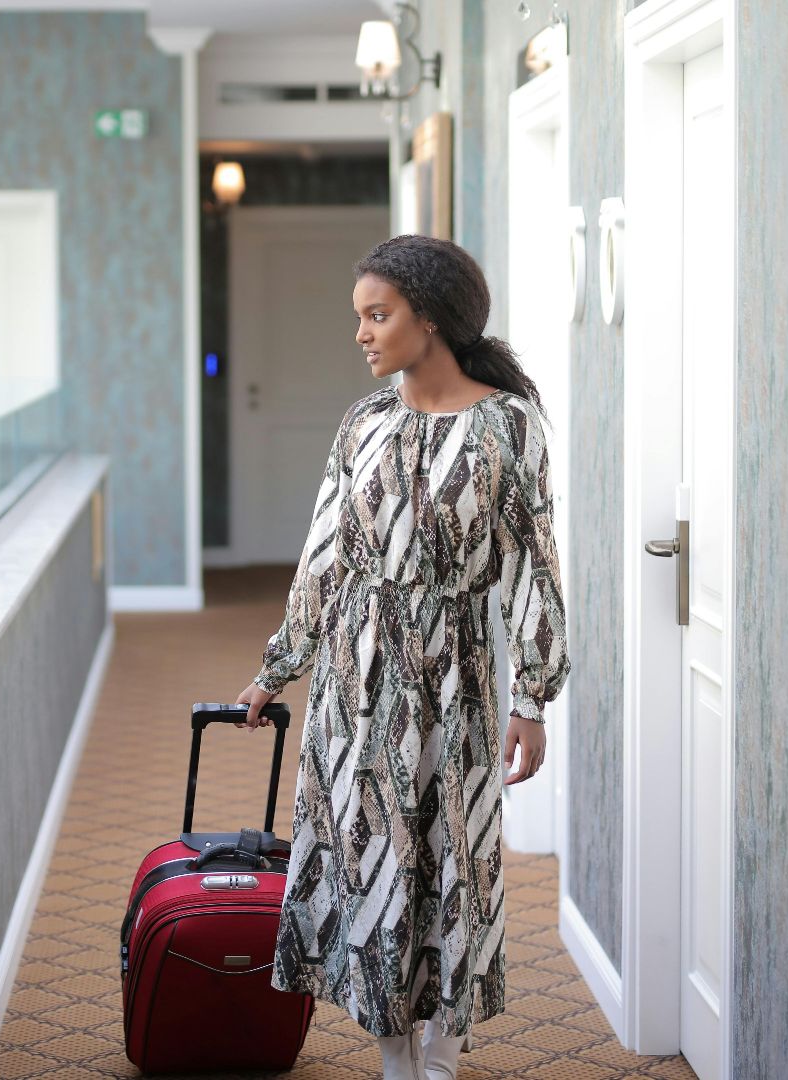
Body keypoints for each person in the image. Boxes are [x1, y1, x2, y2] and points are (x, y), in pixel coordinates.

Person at [236, 234, 570, 1080]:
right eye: (360, 317)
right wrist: (281, 666)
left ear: (431, 319)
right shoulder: (364, 422)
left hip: (458, 674)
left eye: (377, 316)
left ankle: (443, 1059)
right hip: (358, 674)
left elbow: (533, 561)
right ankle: (394, 1059)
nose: (362, 334)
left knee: (453, 854)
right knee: (369, 855)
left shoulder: (510, 425)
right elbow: (324, 555)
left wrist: (533, 697)